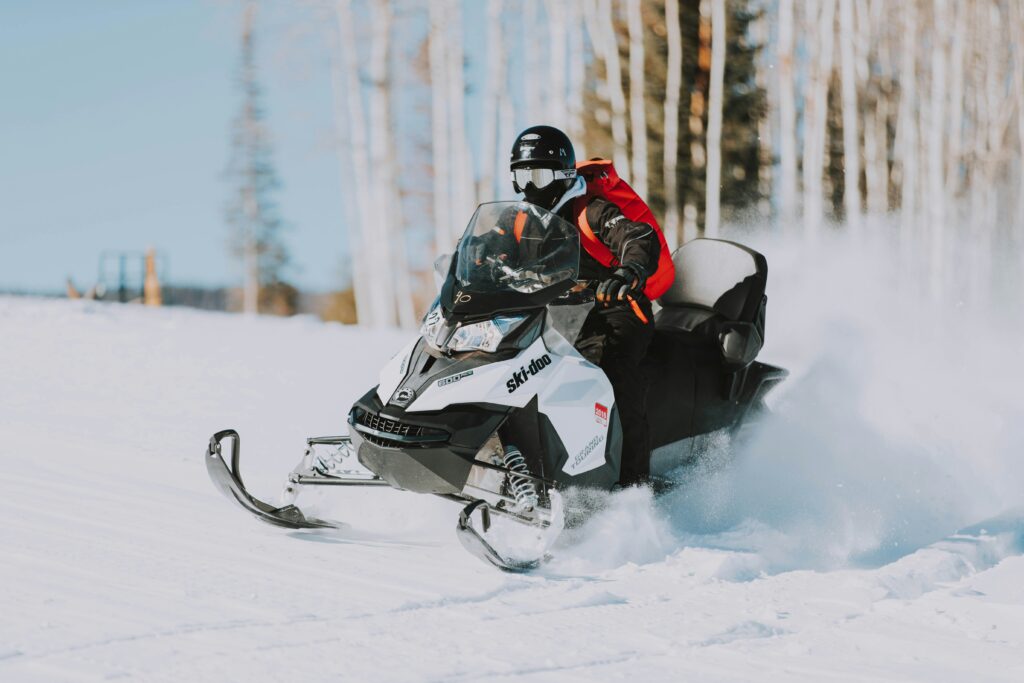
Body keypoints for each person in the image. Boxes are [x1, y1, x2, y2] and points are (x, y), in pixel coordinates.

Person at [508, 125, 661, 486]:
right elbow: (488, 248)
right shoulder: (519, 222)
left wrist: (629, 270)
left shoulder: (590, 210)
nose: (530, 187)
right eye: (521, 176)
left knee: (609, 374)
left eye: (539, 176)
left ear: (561, 176)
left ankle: (630, 484)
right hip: (556, 318)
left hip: (615, 311)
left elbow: (635, 235)